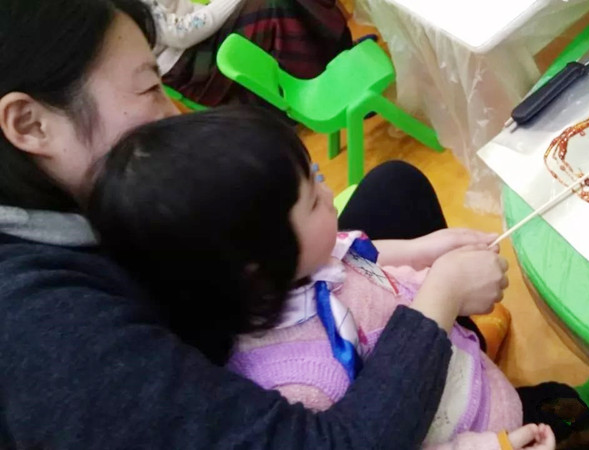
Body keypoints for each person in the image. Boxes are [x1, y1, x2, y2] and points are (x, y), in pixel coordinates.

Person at [0, 0, 510, 448]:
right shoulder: (46, 331)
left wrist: (431, 285)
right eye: (150, 88)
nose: (173, 114)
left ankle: (465, 363)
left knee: (394, 189)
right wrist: (439, 298)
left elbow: (344, 251)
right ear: (30, 124)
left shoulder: (93, 211)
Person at [86, 105, 557, 450]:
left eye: (315, 175)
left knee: (545, 402)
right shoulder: (303, 382)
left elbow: (358, 258)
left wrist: (423, 251)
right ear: (257, 265)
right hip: (479, 432)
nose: (329, 192)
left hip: (469, 375)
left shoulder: (302, 262)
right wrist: (493, 444)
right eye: (312, 199)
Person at [149, 0, 353, 107]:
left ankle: (339, 56)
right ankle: (321, 89)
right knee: (276, 4)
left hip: (202, 34)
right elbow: (181, 33)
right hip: (189, 64)